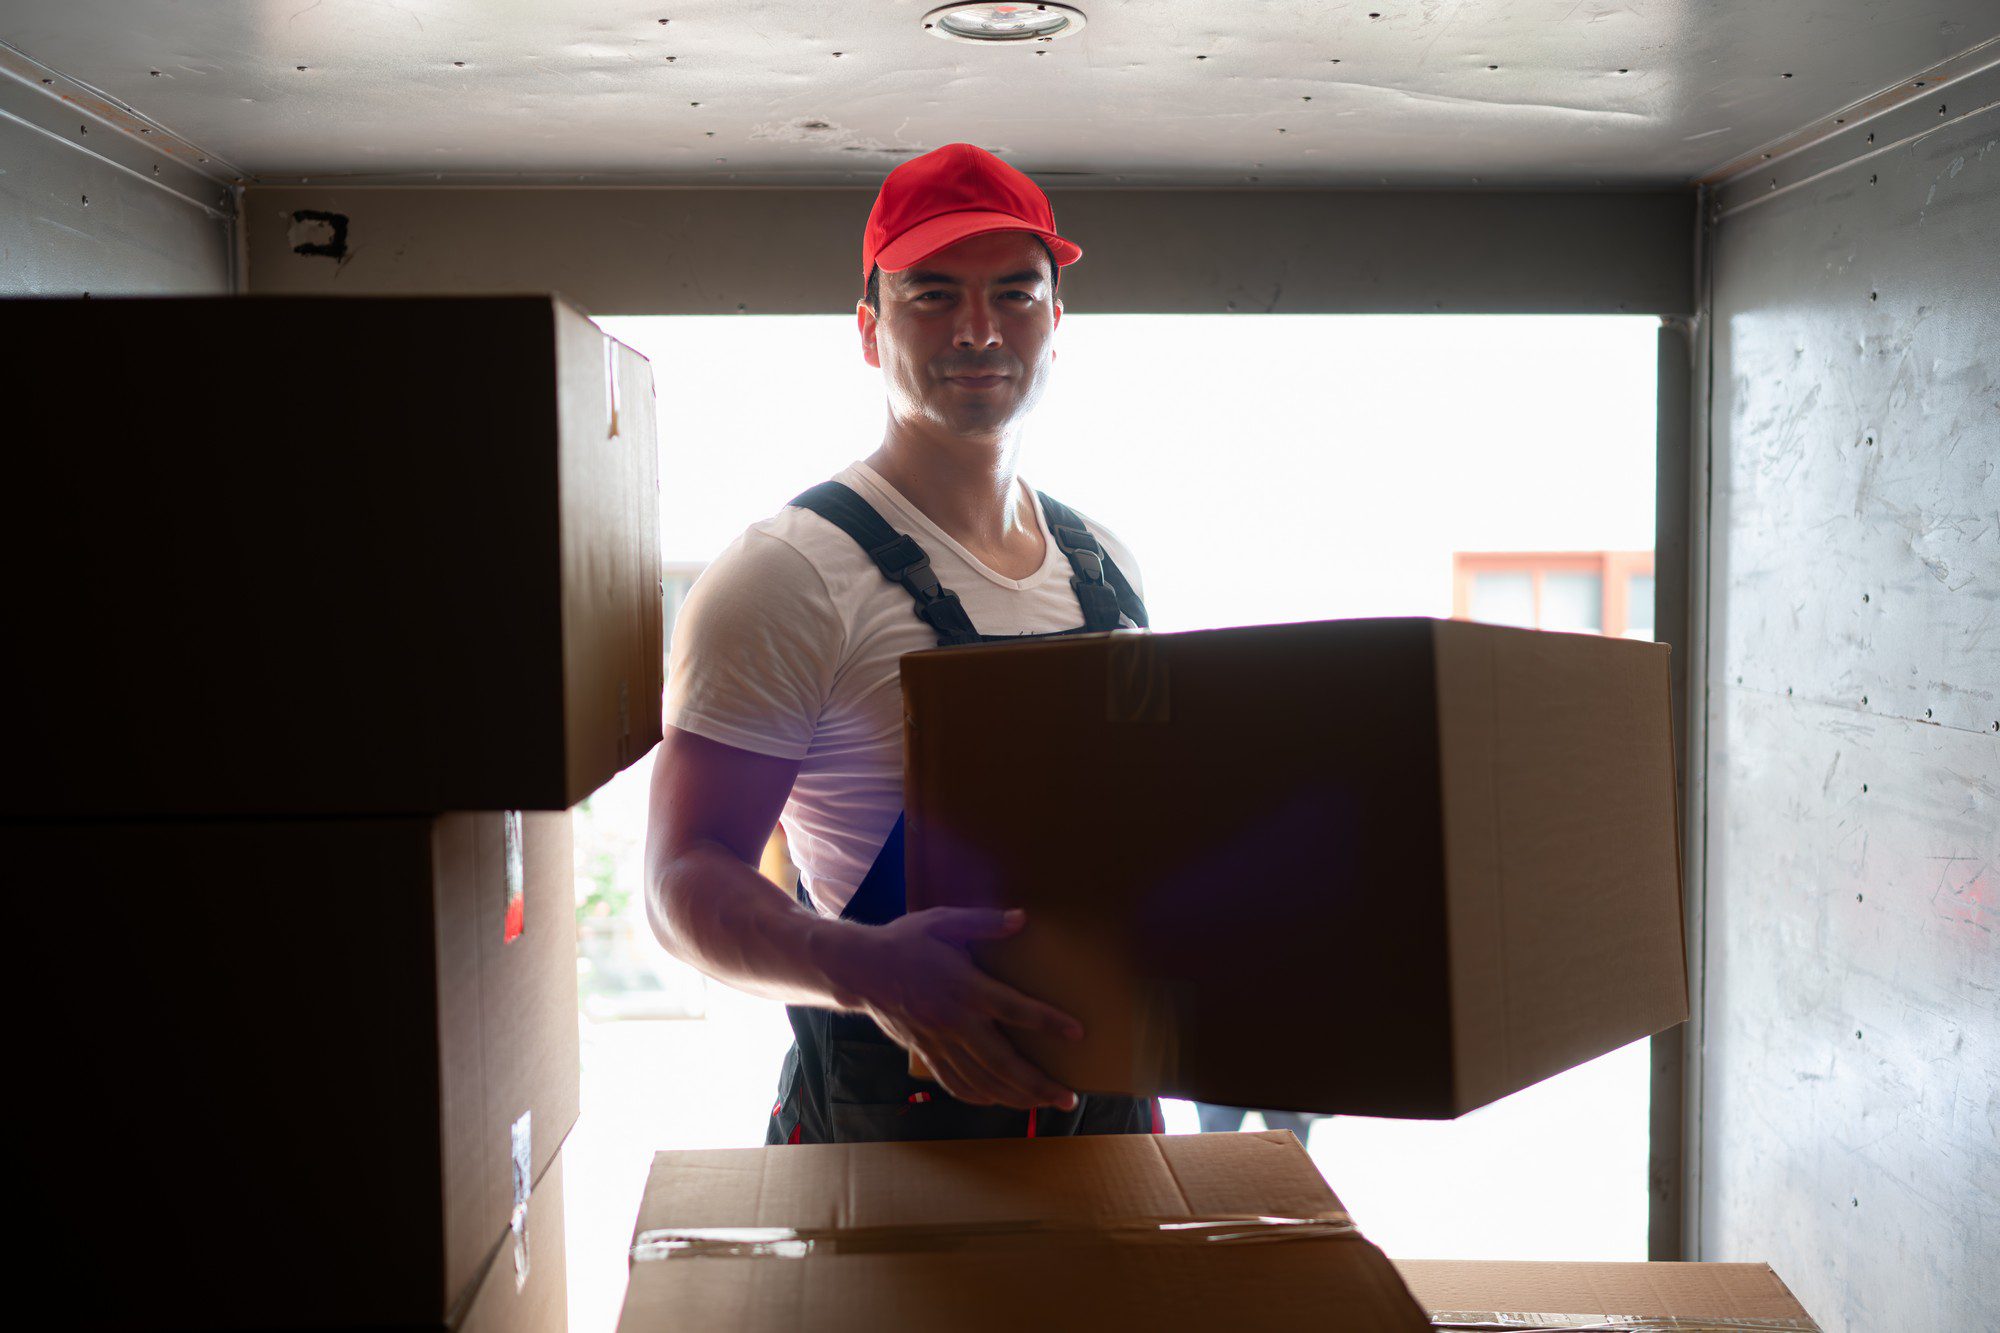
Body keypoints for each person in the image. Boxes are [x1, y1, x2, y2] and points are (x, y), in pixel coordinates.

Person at [644, 143, 1157, 1145]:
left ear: (1055, 322)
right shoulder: (787, 575)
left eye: (1014, 294)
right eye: (932, 296)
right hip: (897, 1106)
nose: (978, 329)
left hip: (1110, 1098)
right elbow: (680, 880)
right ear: (869, 333)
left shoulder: (1108, 565)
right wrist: (865, 967)